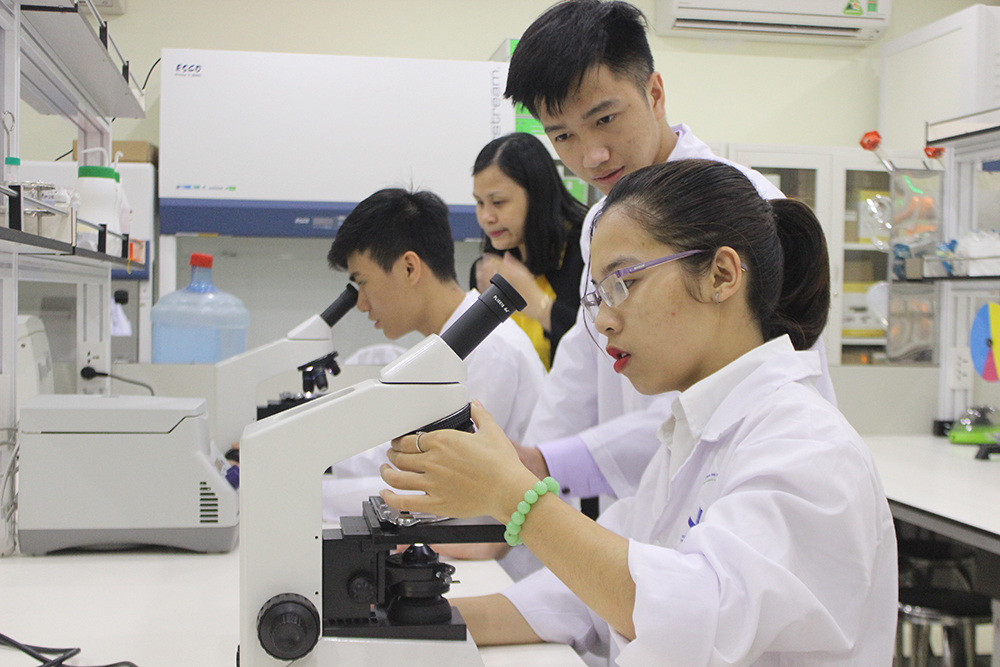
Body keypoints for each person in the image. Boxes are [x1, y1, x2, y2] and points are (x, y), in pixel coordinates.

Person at [380, 159, 898, 666]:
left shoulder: (807, 446)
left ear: (721, 275)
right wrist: (394, 624)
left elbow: (693, 619)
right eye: (597, 297)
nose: (605, 320)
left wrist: (514, 495)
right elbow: (583, 596)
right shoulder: (688, 438)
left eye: (622, 282)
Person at [502, 0, 837, 515]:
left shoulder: (739, 207)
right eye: (562, 136)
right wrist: (521, 472)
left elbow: (747, 391)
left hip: (748, 485)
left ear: (654, 93)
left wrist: (550, 463)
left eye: (605, 118)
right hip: (647, 504)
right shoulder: (603, 220)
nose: (591, 155)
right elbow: (580, 366)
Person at [321, 187, 546, 521]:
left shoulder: (489, 350)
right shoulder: (446, 346)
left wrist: (307, 493)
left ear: (409, 268)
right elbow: (402, 456)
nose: (361, 304)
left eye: (363, 282)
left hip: (503, 550)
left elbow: (438, 489)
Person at [472, 132, 588, 369]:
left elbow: (600, 347)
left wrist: (538, 304)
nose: (486, 217)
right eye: (480, 202)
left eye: (498, 202)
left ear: (537, 196)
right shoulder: (489, 267)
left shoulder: (587, 251)